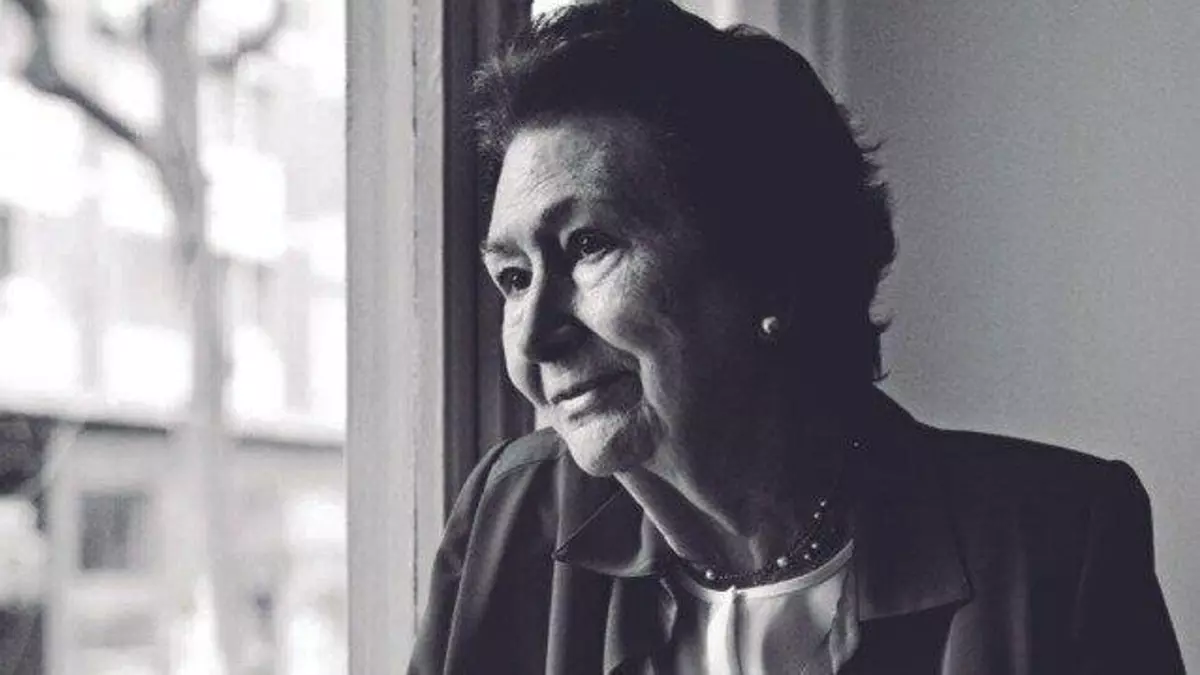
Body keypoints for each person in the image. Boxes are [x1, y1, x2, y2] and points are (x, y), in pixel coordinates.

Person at [409, 1, 1184, 672]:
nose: (534, 336)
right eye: (513, 277)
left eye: (587, 245)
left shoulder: (1055, 549)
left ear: (770, 263)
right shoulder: (507, 522)